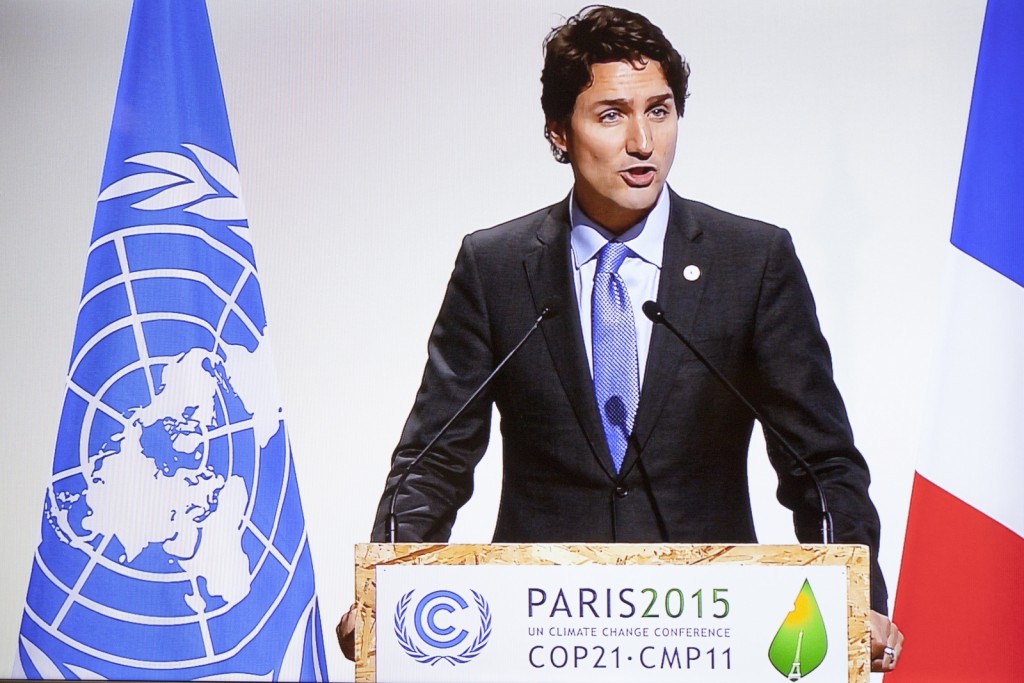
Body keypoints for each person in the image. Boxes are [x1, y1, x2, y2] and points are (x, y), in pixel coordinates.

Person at [345, 4, 903, 671]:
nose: (642, 141)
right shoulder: (497, 268)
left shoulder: (751, 262)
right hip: (539, 638)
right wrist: (384, 582)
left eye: (659, 111)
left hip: (710, 636)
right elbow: (433, 458)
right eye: (611, 114)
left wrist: (857, 595)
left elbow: (821, 461)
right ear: (559, 131)